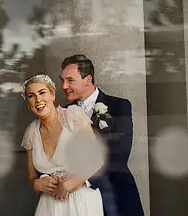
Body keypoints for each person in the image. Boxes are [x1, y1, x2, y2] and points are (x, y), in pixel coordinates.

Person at [59, 55, 143, 216]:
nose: (64, 86)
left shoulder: (119, 106)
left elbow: (119, 153)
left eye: (70, 80)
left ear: (88, 79)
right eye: (62, 80)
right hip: (75, 198)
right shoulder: (63, 113)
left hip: (114, 191)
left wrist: (83, 179)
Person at [21, 73, 104, 216]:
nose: (38, 100)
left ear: (52, 95)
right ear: (28, 104)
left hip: (81, 199)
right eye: (31, 96)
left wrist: (71, 183)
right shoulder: (31, 132)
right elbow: (32, 177)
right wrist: (36, 184)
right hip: (49, 204)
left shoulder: (73, 116)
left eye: (42, 93)